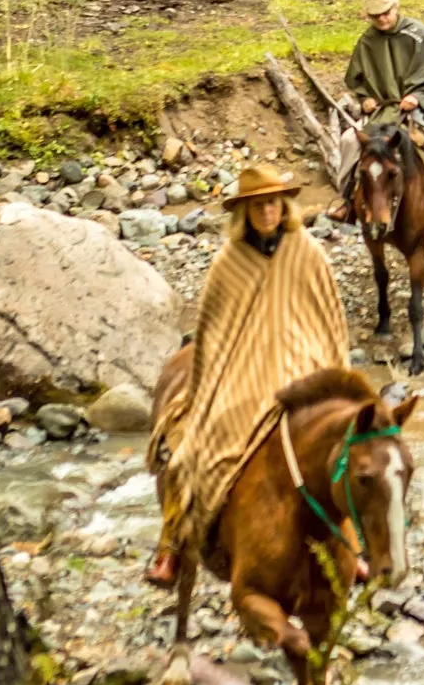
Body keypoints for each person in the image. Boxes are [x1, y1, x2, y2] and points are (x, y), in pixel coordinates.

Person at [145, 163, 349, 589]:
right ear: (245, 212)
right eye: (258, 205)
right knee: (190, 450)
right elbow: (212, 331)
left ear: (284, 206)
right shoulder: (228, 262)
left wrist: (339, 379)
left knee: (349, 452)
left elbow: (329, 317)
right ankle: (173, 544)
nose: (267, 212)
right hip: (242, 370)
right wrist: (202, 393)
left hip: (301, 364)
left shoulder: (306, 251)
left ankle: (354, 546)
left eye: (273, 203)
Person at [336, 0, 424, 233]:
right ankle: (345, 200)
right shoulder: (367, 41)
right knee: (349, 141)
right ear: (367, 16)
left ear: (396, 7)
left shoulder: (420, 34)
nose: (382, 19)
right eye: (375, 15)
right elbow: (358, 82)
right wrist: (365, 100)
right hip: (385, 110)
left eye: (386, 12)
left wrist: (418, 96)